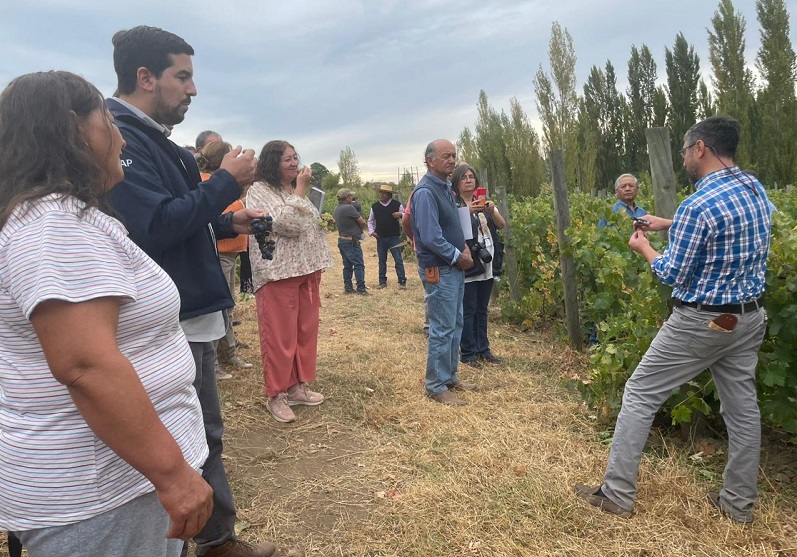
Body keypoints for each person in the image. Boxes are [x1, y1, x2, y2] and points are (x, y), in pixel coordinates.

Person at [0, 70, 211, 556]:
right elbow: (86, 365)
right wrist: (172, 474)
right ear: (76, 128)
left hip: (114, 487)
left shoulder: (47, 218)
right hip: (104, 495)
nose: (118, 136)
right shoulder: (55, 224)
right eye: (107, 121)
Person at [105, 26, 277, 557]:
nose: (193, 90)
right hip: (167, 322)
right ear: (145, 77)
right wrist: (225, 183)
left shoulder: (153, 139)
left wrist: (228, 223)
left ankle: (212, 539)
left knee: (202, 434)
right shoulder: (121, 141)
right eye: (183, 76)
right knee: (193, 436)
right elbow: (153, 227)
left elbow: (178, 221)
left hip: (188, 310)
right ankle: (214, 544)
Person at [574, 116, 774, 525]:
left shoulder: (698, 204)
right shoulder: (753, 187)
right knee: (742, 411)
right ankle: (738, 506)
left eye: (685, 150)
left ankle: (617, 494)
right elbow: (730, 234)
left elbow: (670, 273)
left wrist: (644, 246)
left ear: (700, 147)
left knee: (640, 393)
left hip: (701, 324)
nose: (684, 158)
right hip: (747, 319)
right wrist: (669, 225)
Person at [248, 140, 333, 423]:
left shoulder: (293, 190)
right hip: (277, 273)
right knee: (280, 336)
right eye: (287, 159)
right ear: (272, 162)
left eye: (295, 158)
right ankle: (277, 395)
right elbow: (287, 225)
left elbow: (306, 222)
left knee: (303, 333)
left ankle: (297, 387)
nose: (294, 163)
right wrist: (300, 191)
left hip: (306, 269)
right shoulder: (259, 191)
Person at [410, 139, 476, 406]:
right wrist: (457, 256)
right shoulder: (426, 192)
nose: (452, 160)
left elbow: (450, 227)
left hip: (453, 267)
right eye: (446, 156)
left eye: (454, 156)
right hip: (440, 268)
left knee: (455, 323)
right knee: (441, 327)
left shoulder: (445, 187)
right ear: (430, 160)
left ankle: (449, 377)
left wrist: (463, 248)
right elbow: (430, 237)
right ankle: (435, 385)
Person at [197, 141, 254, 379]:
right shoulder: (208, 185)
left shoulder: (220, 185)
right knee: (220, 306)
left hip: (230, 253)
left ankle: (228, 354)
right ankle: (217, 362)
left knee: (227, 305)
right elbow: (210, 217)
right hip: (220, 253)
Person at [450, 164, 505, 368]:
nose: (469, 180)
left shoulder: (482, 202)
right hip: (470, 263)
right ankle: (468, 353)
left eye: (471, 176)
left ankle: (484, 350)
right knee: (468, 310)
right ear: (456, 182)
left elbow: (501, 225)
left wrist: (491, 210)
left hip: (488, 262)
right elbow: (456, 232)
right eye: (463, 177)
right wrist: (466, 212)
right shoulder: (454, 205)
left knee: (482, 309)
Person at [368, 184, 407, 289]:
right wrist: (372, 232)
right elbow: (370, 221)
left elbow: (406, 217)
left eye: (384, 193)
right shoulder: (375, 206)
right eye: (380, 193)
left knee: (398, 259)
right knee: (382, 260)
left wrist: (400, 214)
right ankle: (382, 282)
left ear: (389, 195)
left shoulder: (397, 205)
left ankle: (402, 281)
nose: (381, 195)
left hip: (394, 237)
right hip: (380, 237)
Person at [333, 188, 368, 294]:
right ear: (347, 197)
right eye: (350, 196)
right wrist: (360, 230)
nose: (351, 198)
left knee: (347, 265)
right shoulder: (349, 208)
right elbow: (362, 222)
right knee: (358, 265)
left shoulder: (336, 208)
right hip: (351, 241)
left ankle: (348, 288)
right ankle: (361, 289)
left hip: (342, 240)